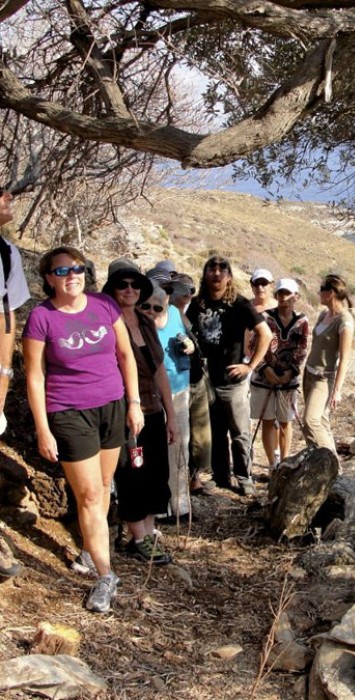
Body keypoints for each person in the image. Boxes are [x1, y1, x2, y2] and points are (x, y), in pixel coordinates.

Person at [22, 247, 144, 613]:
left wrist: (134, 403)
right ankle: (106, 576)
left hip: (112, 406)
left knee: (103, 487)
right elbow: (34, 375)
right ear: (48, 278)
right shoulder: (41, 318)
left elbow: (125, 356)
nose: (72, 275)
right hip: (70, 412)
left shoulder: (103, 306)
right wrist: (43, 428)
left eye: (77, 268)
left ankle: (91, 552)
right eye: (62, 271)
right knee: (89, 495)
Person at [102, 259, 177, 564]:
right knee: (132, 473)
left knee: (156, 472)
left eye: (135, 284)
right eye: (122, 284)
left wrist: (171, 415)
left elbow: (159, 370)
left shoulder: (145, 323)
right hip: (123, 412)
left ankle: (148, 530)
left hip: (152, 410)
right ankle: (138, 538)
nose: (130, 290)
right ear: (112, 289)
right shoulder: (106, 324)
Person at [186, 254, 271, 496]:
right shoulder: (197, 304)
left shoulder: (240, 304)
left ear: (229, 277)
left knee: (240, 433)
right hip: (205, 379)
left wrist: (250, 366)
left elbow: (265, 334)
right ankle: (221, 476)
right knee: (215, 432)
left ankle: (244, 478)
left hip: (233, 381)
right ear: (205, 275)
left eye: (222, 269)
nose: (216, 272)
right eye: (211, 268)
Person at [139, 282, 192, 518]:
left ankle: (180, 504)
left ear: (167, 303)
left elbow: (190, 338)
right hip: (147, 396)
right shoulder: (132, 323)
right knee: (151, 452)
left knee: (179, 447)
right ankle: (157, 506)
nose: (151, 311)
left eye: (157, 307)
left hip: (178, 389)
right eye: (146, 306)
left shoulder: (175, 315)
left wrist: (190, 345)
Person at [0, 185, 31, 579]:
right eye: (1, 192)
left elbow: (7, 320)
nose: (9, 197)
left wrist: (5, 375)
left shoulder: (7, 253)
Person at [302, 274, 355, 452]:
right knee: (321, 421)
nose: (318, 292)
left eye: (322, 289)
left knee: (310, 421)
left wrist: (337, 390)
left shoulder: (344, 322)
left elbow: (344, 358)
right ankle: (318, 461)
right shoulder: (324, 314)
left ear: (330, 293)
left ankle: (330, 463)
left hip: (324, 379)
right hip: (308, 374)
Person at [250, 278, 309, 469]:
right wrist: (264, 369)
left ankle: (284, 462)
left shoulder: (302, 321)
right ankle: (271, 465)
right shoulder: (264, 317)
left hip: (288, 380)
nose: (284, 297)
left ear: (296, 296)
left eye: (288, 293)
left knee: (285, 421)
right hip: (263, 377)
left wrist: (290, 372)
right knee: (267, 420)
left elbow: (302, 349)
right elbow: (253, 345)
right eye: (281, 293)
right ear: (276, 295)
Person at [169, 273, 213, 495]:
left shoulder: (189, 313)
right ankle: (181, 486)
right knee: (183, 435)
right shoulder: (165, 314)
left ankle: (195, 478)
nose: (188, 294)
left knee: (200, 434)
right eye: (184, 289)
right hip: (177, 383)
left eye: (191, 289)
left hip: (195, 378)